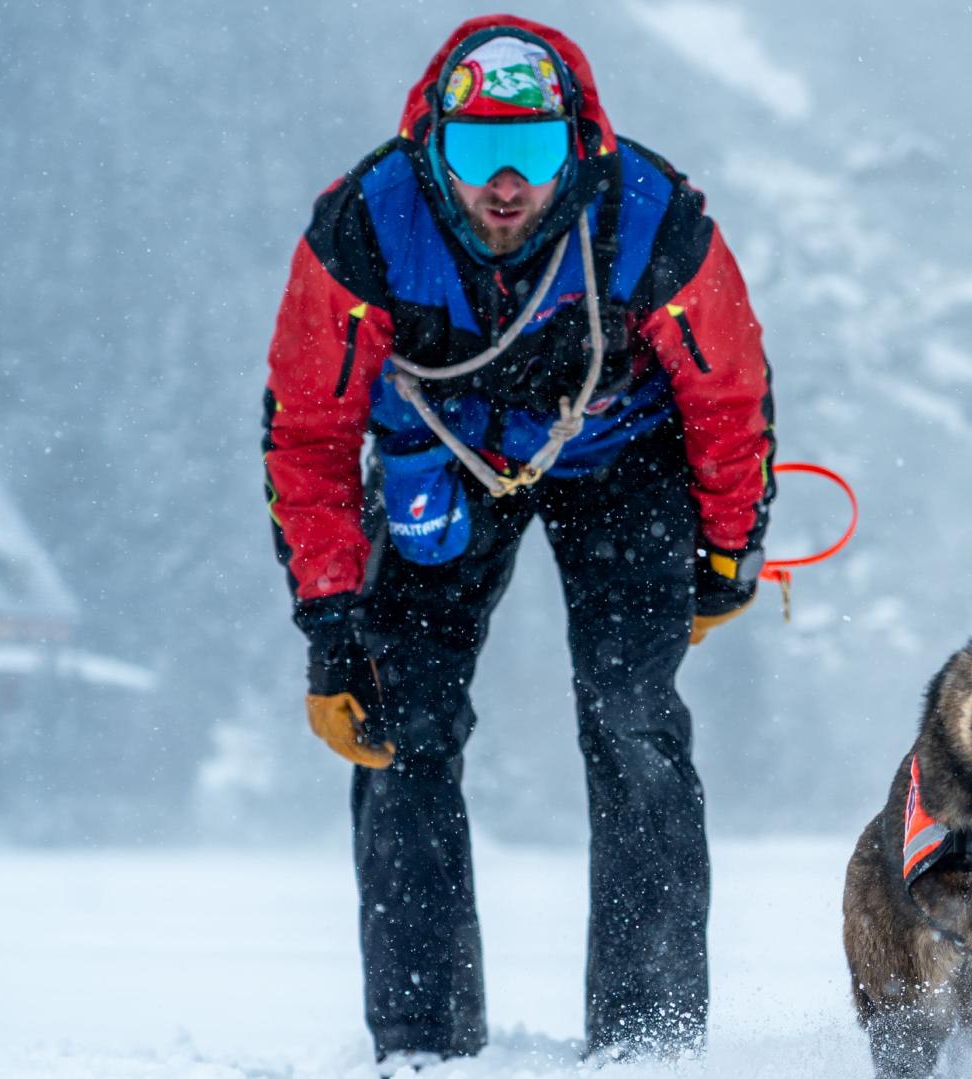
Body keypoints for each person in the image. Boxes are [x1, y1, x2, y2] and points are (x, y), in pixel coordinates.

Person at [260, 15, 775, 1067]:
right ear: (430, 144)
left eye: (533, 152)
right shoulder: (364, 224)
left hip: (621, 461)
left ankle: (651, 1040)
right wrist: (329, 623)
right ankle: (423, 1040)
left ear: (574, 144)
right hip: (438, 464)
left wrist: (729, 552)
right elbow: (308, 434)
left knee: (634, 717)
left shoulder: (650, 215)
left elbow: (730, 394)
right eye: (477, 150)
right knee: (397, 721)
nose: (506, 183)